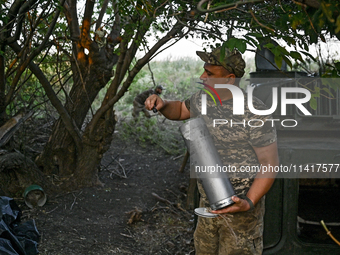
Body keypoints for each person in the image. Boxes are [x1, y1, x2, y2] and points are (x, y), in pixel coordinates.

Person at [145, 46, 279, 254]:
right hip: (208, 207)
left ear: (229, 79)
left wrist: (249, 202)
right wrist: (163, 105)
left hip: (240, 216)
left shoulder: (254, 111)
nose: (202, 76)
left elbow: (269, 164)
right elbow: (181, 109)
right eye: (204, 70)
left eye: (210, 73)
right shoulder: (202, 99)